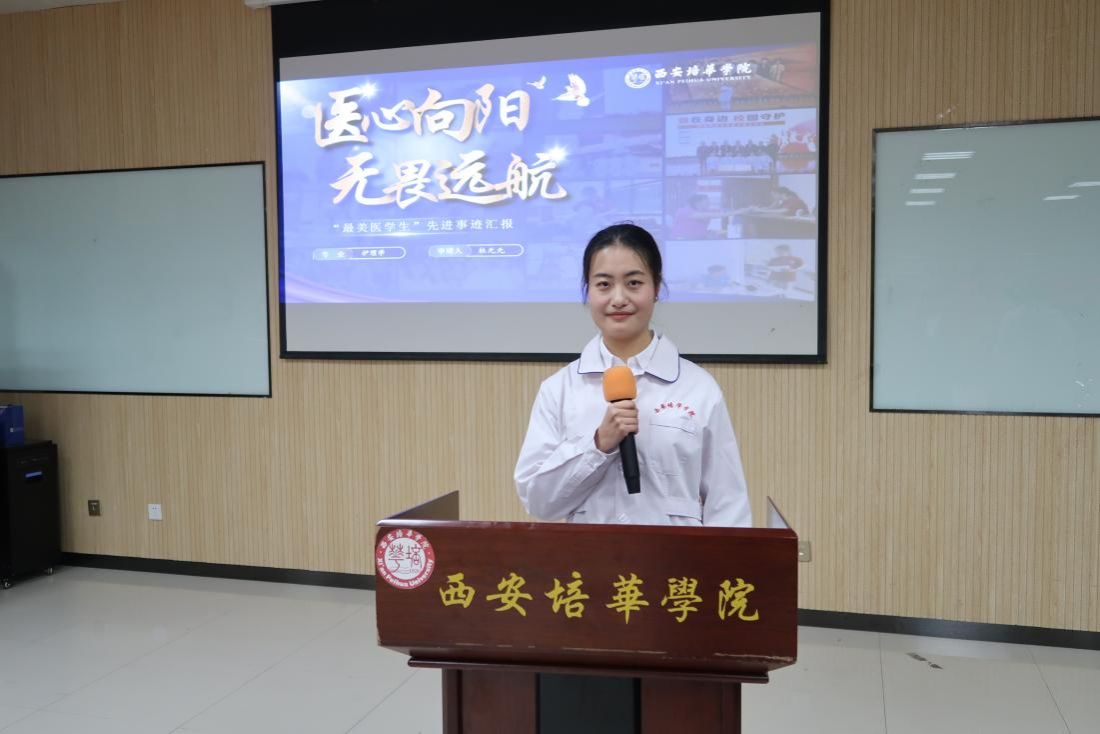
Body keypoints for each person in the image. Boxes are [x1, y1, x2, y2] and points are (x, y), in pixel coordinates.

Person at [514, 223, 752, 527]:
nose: (618, 298)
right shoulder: (559, 389)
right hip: (591, 555)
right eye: (603, 284)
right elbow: (538, 502)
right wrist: (597, 445)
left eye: (634, 283)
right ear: (587, 291)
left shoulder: (699, 387)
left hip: (676, 556)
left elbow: (728, 502)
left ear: (657, 288)